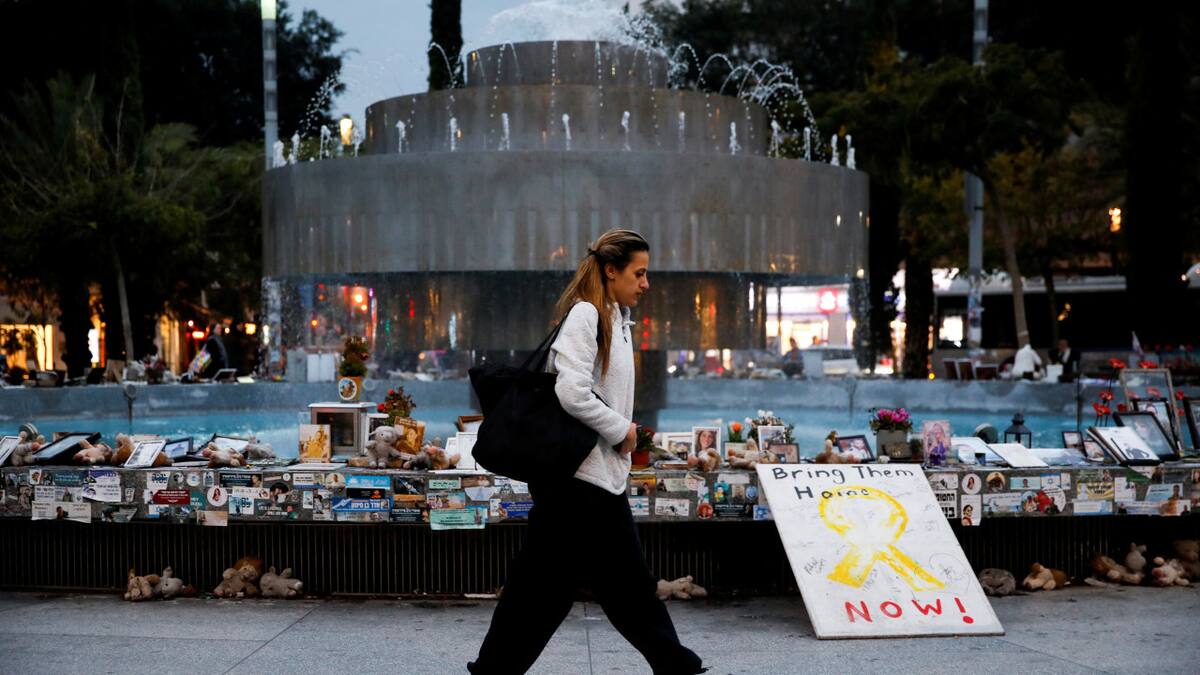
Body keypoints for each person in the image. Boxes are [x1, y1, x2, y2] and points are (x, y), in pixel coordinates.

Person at [469, 230, 704, 675]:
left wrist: (622, 438)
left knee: (568, 587)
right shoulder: (586, 315)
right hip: (580, 482)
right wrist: (623, 431)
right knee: (579, 588)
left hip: (594, 479)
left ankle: (675, 664)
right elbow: (571, 391)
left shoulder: (617, 317)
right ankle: (677, 665)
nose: (646, 282)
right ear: (611, 271)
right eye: (639, 272)